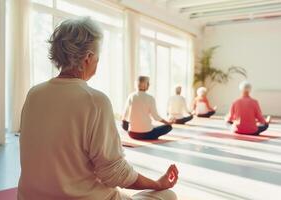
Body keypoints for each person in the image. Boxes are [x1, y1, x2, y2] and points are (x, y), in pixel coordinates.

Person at [18, 17, 178, 200]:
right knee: (168, 195)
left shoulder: (34, 94)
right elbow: (115, 173)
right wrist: (157, 184)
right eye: (97, 56)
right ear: (87, 58)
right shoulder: (95, 101)